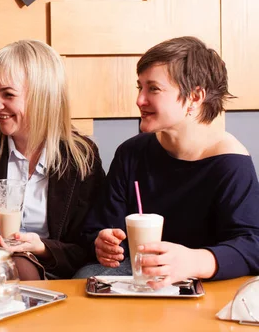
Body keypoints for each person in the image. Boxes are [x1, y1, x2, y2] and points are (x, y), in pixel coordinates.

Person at [75, 36, 259, 288]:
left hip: (206, 285)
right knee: (85, 277)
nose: (140, 100)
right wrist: (102, 241)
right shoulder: (131, 152)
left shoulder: (230, 163)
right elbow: (98, 227)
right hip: (137, 277)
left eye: (153, 88)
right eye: (139, 87)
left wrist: (193, 261)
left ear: (195, 97)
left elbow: (251, 244)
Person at [0, 40, 105, 280]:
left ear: (43, 97)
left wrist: (41, 248)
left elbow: (87, 246)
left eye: (8, 94)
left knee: (21, 267)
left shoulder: (81, 157)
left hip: (54, 274)